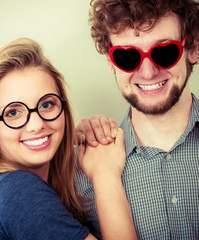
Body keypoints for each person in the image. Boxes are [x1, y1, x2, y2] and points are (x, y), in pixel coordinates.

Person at [0, 38, 136, 239]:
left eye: (46, 105)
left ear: (64, 108)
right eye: (12, 113)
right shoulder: (16, 191)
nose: (36, 125)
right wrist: (105, 173)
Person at [76, 0, 199, 239]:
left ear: (193, 47)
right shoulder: (81, 176)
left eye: (164, 51)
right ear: (111, 62)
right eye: (128, 57)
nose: (147, 72)